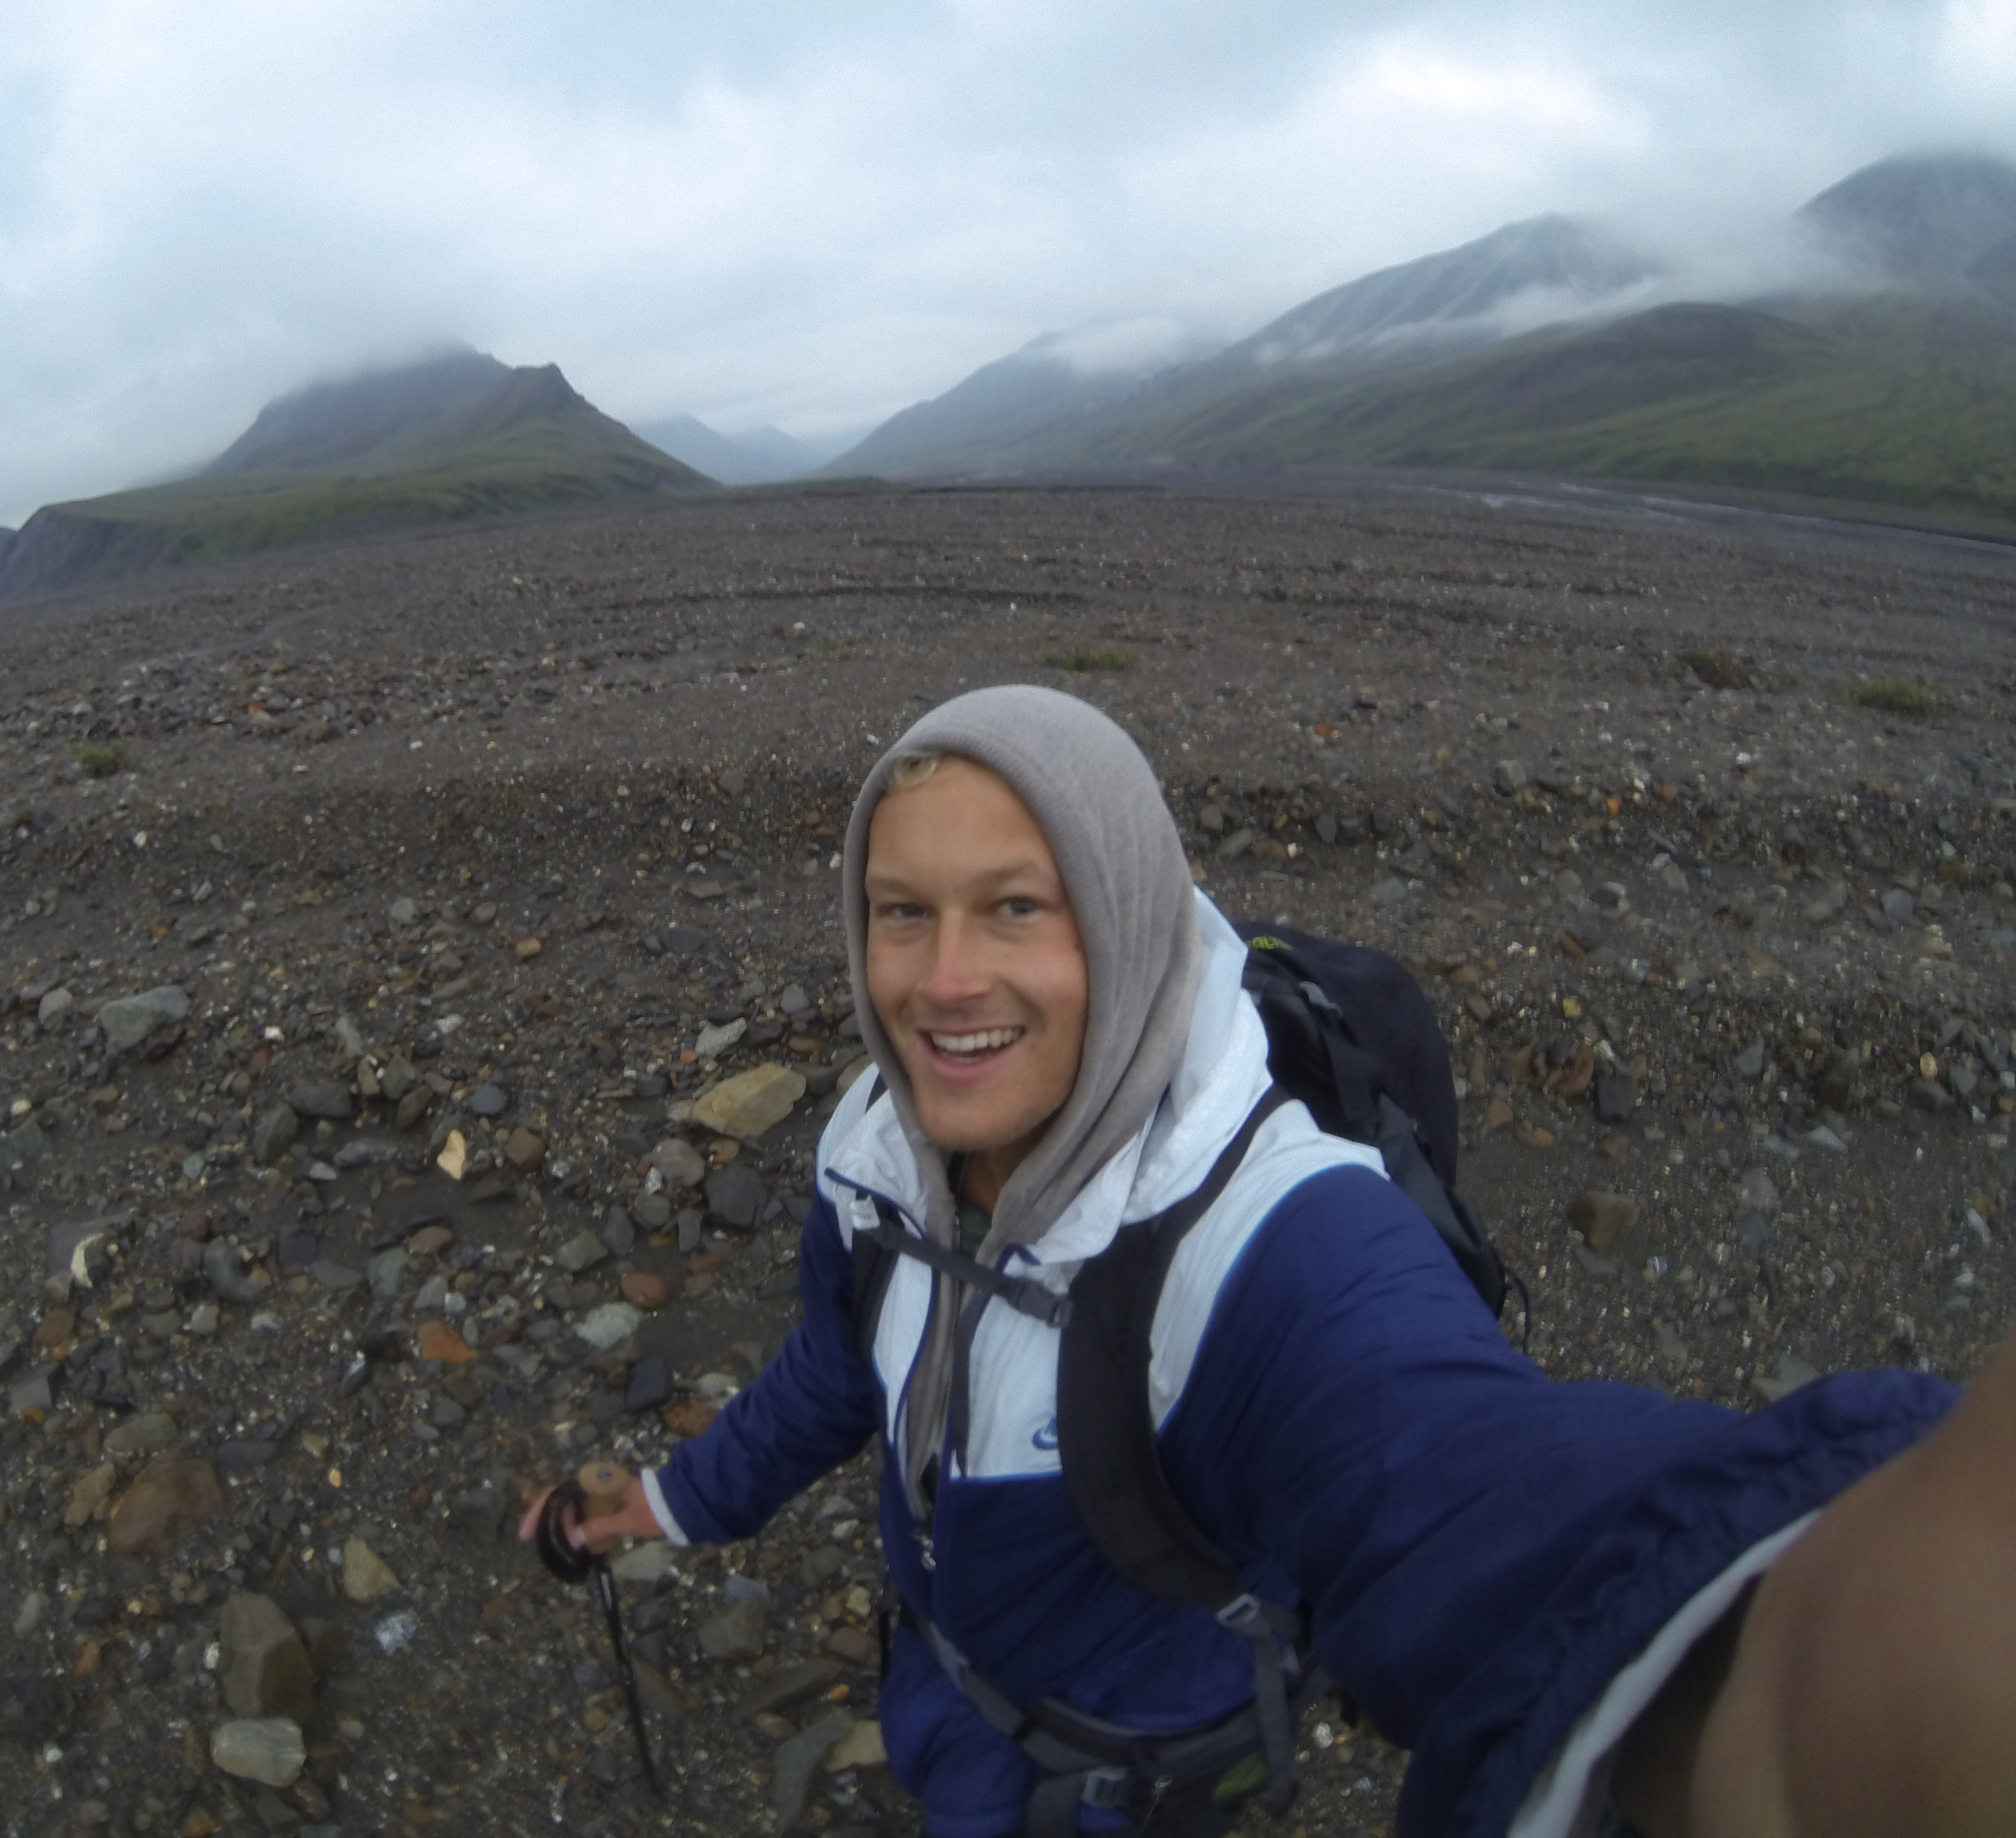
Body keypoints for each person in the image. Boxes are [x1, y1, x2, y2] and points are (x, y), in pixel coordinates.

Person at [523, 685, 2009, 1837]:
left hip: (1116, 1779)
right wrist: (658, 1502)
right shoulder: (875, 1146)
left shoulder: (1262, 1234)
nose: (942, 980)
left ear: (1122, 915)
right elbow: (832, 1371)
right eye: (900, 913)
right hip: (943, 1699)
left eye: (1016, 907)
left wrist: (1785, 1662)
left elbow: (1460, 1476)